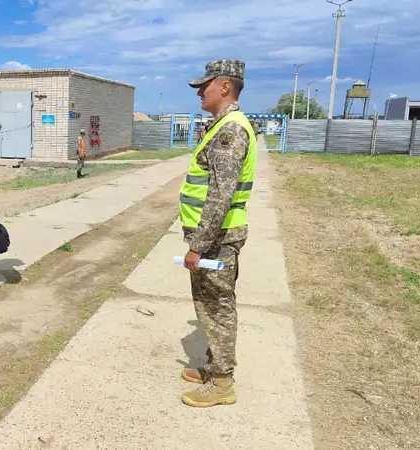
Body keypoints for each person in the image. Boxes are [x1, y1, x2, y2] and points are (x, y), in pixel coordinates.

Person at [178, 60, 257, 408]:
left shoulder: (231, 131)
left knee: (218, 308)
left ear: (225, 86)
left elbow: (219, 195)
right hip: (215, 238)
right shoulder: (222, 126)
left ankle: (222, 383)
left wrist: (198, 246)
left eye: (204, 85)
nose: (199, 92)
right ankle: (213, 368)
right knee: (209, 306)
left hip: (216, 240)